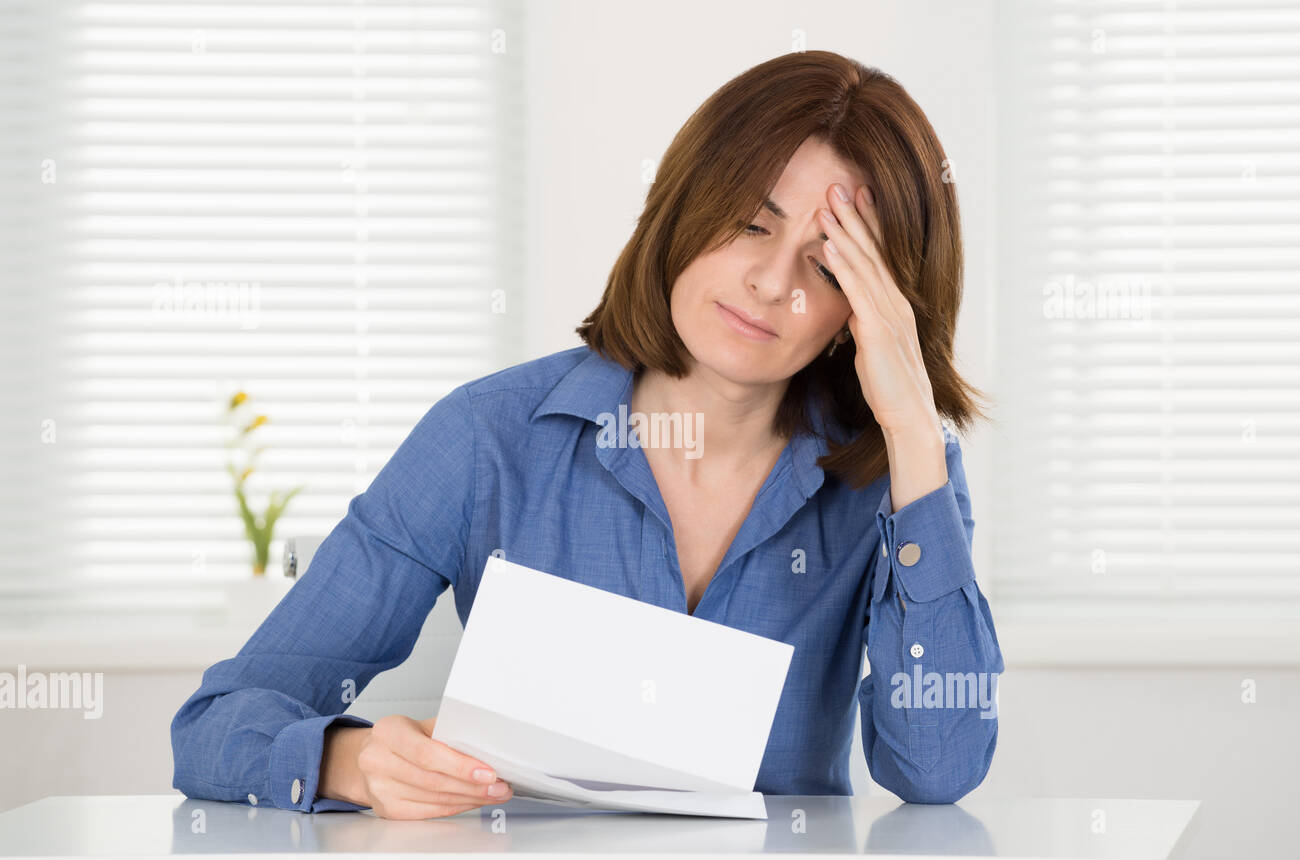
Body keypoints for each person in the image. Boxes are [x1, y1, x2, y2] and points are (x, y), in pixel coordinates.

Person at [171, 50, 1004, 820]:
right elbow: (215, 725)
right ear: (684, 207)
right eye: (752, 224)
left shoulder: (899, 472)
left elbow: (938, 767)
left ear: (866, 314)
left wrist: (912, 429)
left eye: (828, 267)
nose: (769, 281)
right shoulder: (487, 438)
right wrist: (347, 761)